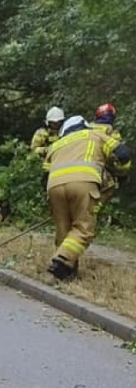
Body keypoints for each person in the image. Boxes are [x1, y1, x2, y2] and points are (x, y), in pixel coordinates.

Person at [44, 114, 132, 280]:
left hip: (54, 186)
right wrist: (119, 173)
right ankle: (61, 260)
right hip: (83, 183)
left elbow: (44, 174)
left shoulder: (56, 145)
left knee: (64, 229)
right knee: (83, 228)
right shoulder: (95, 135)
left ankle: (66, 270)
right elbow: (123, 153)